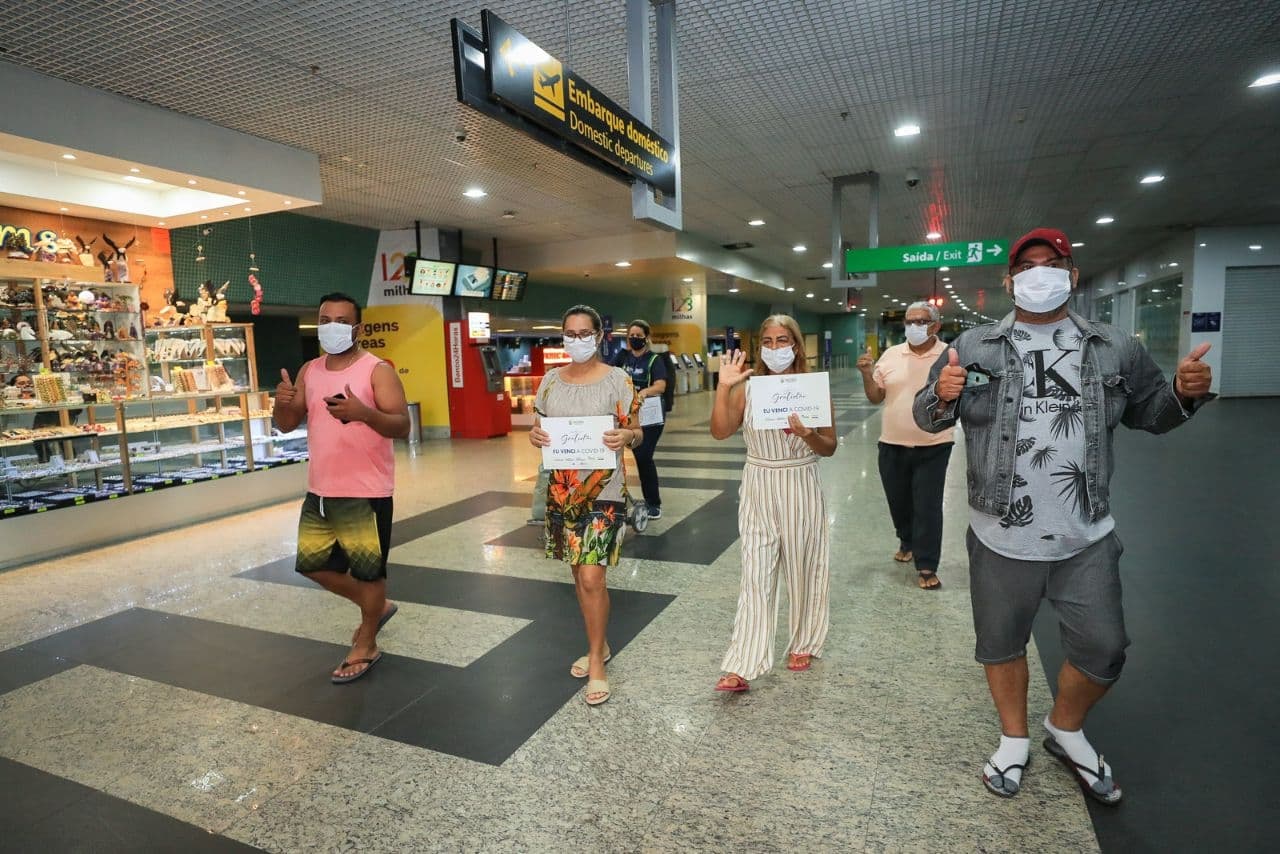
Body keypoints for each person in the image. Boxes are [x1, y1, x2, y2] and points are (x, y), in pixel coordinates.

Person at [913, 228, 1214, 804]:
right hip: (1000, 530)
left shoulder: (1114, 346)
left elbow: (1152, 413)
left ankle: (1064, 727)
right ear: (1010, 280)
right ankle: (1014, 739)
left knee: (1105, 648)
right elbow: (928, 419)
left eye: (1052, 263)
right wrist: (941, 394)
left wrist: (1184, 391)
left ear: (1072, 275)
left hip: (1087, 533)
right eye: (1027, 265)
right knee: (1000, 644)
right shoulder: (974, 346)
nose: (1039, 273)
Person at [274, 292, 409, 684]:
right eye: (324, 319)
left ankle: (366, 641)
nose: (331, 327)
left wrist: (363, 414)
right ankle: (377, 607)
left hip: (366, 490)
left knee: (368, 573)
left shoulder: (376, 370)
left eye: (340, 320)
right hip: (320, 489)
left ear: (357, 328)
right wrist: (281, 403)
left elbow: (402, 425)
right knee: (313, 565)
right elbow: (287, 423)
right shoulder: (310, 371)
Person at [711, 314, 837, 692]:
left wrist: (809, 433)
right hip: (759, 482)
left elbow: (828, 448)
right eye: (768, 341)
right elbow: (720, 432)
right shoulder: (747, 387)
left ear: (797, 345)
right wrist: (724, 387)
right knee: (755, 572)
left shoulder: (814, 388)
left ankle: (803, 641)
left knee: (804, 565)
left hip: (800, 479)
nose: (775, 348)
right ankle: (743, 662)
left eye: (783, 341)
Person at [528, 304, 641, 706]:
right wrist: (535, 438)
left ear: (599, 336)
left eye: (584, 333)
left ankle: (596, 659)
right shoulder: (550, 383)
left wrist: (627, 437)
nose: (577, 340)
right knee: (578, 575)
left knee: (593, 577)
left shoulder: (619, 381)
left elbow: (637, 430)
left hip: (604, 492)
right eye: (570, 333)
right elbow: (538, 428)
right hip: (563, 493)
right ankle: (601, 643)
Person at [857, 302, 955, 589]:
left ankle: (926, 564)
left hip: (933, 444)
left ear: (936, 325)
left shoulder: (949, 356)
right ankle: (907, 540)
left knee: (927, 505)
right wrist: (866, 373)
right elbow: (876, 397)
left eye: (921, 321)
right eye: (909, 322)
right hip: (891, 443)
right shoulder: (890, 354)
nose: (914, 327)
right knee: (898, 501)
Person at [611, 319, 668, 518]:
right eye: (631, 336)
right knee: (633, 456)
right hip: (627, 415)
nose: (634, 339)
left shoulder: (654, 359)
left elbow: (661, 386)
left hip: (649, 417)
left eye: (638, 336)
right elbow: (610, 375)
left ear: (646, 338)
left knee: (644, 457)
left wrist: (643, 392)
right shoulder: (622, 357)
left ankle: (654, 503)